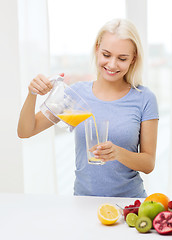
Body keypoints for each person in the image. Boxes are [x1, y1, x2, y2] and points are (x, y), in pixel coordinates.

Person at [18, 18, 159, 198]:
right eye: (106, 55)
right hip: (84, 203)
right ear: (97, 49)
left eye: (122, 58)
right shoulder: (77, 96)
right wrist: (32, 93)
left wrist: (117, 153)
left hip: (129, 204)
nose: (112, 64)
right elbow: (26, 131)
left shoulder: (143, 98)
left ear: (133, 59)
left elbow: (148, 164)